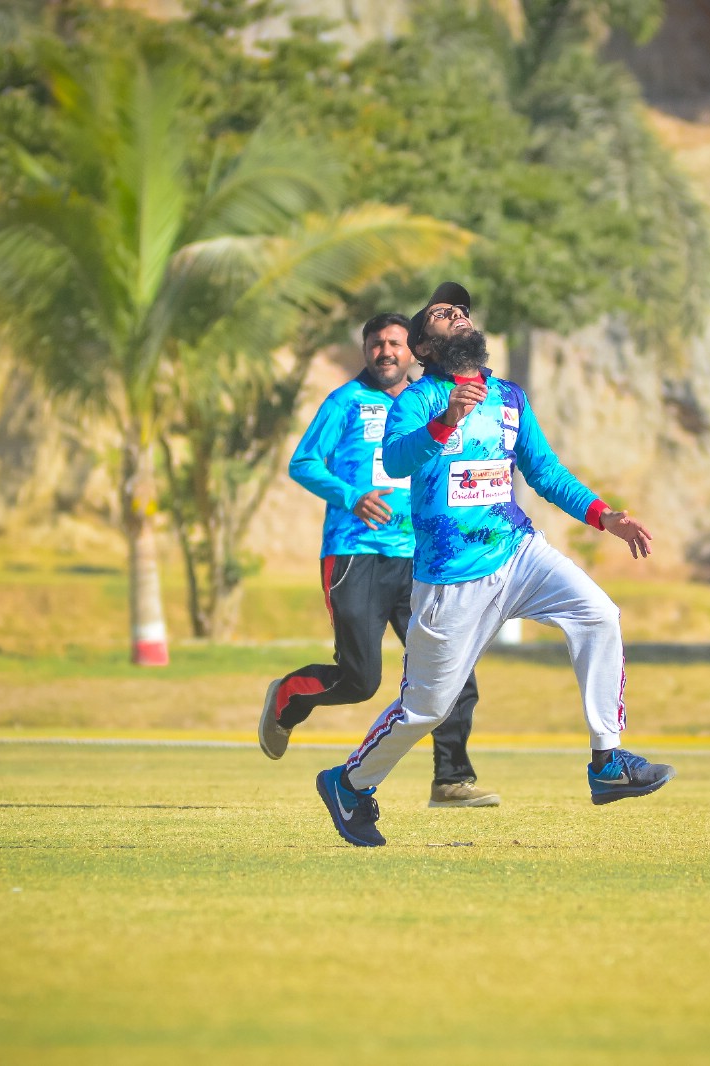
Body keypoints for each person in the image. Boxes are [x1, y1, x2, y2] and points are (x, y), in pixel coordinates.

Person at [314, 282, 674, 847]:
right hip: (450, 577)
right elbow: (396, 459)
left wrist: (605, 517)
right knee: (427, 709)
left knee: (599, 614)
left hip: (518, 551)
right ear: (424, 347)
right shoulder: (419, 399)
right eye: (441, 313)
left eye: (460, 309)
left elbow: (546, 473)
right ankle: (350, 784)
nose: (457, 314)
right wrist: (445, 420)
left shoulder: (508, 397)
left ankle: (607, 761)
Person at [260, 312, 500, 809]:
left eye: (394, 343)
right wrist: (351, 496)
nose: (385, 352)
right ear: (365, 350)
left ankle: (451, 779)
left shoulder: (430, 400)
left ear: (414, 350)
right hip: (355, 554)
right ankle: (287, 697)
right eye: (375, 343)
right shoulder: (345, 402)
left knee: (451, 666)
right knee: (360, 680)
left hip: (422, 559)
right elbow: (303, 463)